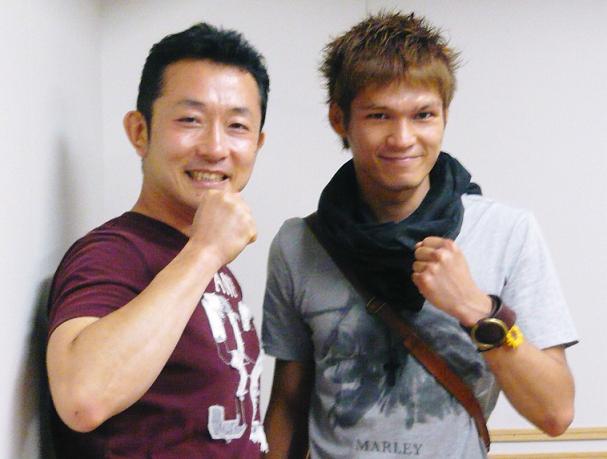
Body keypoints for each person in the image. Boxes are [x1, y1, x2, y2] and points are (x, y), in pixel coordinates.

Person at [262, 11, 577, 459]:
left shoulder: (507, 232)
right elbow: (288, 405)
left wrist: (476, 309)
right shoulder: (300, 243)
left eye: (423, 115)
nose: (403, 138)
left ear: (444, 116)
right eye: (379, 115)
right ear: (339, 119)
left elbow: (555, 412)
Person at [46, 22, 269, 458]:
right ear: (139, 131)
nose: (215, 148)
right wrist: (206, 251)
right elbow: (82, 399)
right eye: (190, 120)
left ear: (257, 143)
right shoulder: (113, 253)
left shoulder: (202, 257)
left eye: (237, 126)